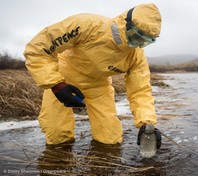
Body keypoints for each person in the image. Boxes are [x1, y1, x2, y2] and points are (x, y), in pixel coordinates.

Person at [23, 3, 162, 149]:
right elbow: (38, 49)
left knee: (110, 139)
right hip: (63, 80)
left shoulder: (136, 56)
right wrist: (57, 85)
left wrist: (147, 123)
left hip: (98, 87)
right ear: (127, 24)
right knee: (57, 134)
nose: (138, 45)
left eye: (145, 42)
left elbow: (140, 91)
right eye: (137, 37)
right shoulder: (87, 25)